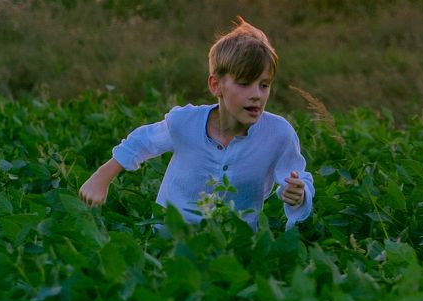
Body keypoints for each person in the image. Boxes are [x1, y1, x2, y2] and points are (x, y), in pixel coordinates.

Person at [79, 18, 313, 230]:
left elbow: (297, 178)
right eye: (244, 84)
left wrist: (298, 194)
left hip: (234, 247)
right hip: (170, 239)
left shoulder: (278, 133)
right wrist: (101, 177)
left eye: (264, 85)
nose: (257, 95)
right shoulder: (185, 122)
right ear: (215, 85)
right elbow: (143, 142)